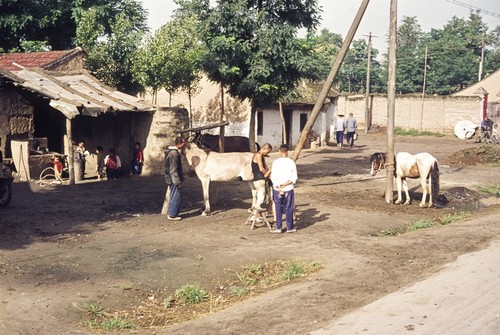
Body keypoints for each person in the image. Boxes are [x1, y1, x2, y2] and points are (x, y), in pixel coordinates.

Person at [270, 144, 298, 233]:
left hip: (277, 188)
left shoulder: (275, 162)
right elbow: (294, 177)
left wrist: (279, 186)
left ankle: (278, 228)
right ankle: (290, 227)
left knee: (278, 208)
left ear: (279, 151)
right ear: (287, 152)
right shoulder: (291, 162)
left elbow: (273, 176)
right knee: (289, 207)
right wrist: (285, 184)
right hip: (288, 188)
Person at [164, 137, 186, 221]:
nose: (184, 145)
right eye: (183, 143)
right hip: (173, 178)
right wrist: (177, 182)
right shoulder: (174, 154)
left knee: (174, 195)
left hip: (171, 177)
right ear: (180, 143)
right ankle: (172, 215)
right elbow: (173, 169)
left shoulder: (171, 152)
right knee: (175, 196)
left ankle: (172, 213)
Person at [251, 143, 272, 212]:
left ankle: (254, 215)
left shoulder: (261, 156)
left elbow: (265, 167)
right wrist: (267, 175)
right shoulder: (258, 155)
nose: (267, 153)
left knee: (260, 195)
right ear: (265, 149)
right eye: (268, 151)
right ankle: (256, 207)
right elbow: (261, 169)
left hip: (259, 178)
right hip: (259, 178)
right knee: (261, 195)